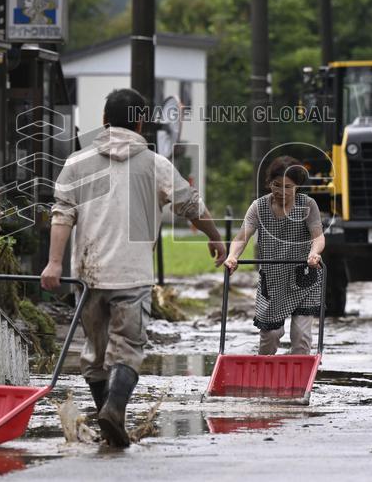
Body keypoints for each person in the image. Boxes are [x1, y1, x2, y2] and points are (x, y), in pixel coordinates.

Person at [41, 88, 227, 447]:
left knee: (95, 355)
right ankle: (113, 410)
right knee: (127, 348)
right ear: (141, 122)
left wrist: (52, 263)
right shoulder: (155, 164)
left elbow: (62, 215)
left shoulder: (77, 163)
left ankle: (110, 420)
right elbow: (190, 205)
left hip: (88, 275)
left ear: (104, 121)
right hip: (133, 276)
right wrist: (215, 237)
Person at [224, 156, 325, 355]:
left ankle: (299, 378)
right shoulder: (259, 207)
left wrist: (314, 254)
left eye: (288, 187)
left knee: (301, 335)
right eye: (276, 185)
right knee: (270, 334)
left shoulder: (308, 205)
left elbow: (318, 237)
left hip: (303, 277)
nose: (281, 192)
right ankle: (263, 372)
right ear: (269, 183)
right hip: (273, 279)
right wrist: (232, 256)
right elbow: (241, 237)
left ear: (297, 187)